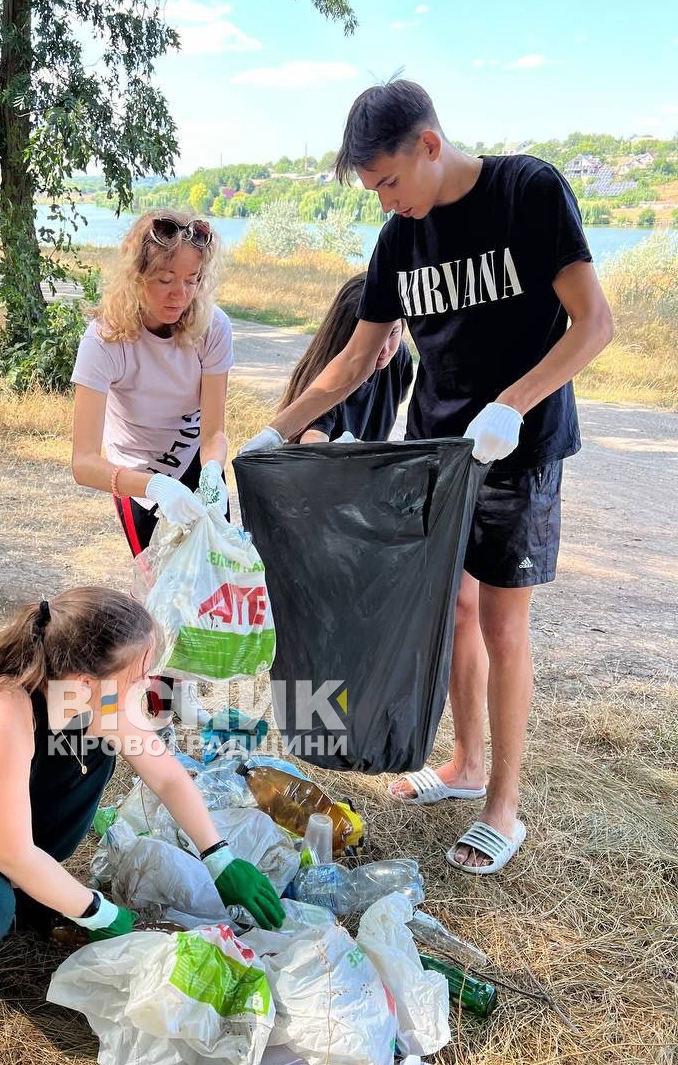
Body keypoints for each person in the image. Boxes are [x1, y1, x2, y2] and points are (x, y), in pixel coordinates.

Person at [241, 80, 613, 875]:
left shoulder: (528, 191)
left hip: (523, 443)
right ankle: (464, 764)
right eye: (371, 188)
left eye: (388, 181)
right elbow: (353, 358)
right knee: (453, 611)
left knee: (505, 625)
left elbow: (595, 322)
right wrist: (275, 432)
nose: (384, 201)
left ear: (430, 145)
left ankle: (502, 807)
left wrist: (513, 405)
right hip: (438, 450)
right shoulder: (399, 241)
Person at [0, 588, 284, 988]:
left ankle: (39, 889)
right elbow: (10, 852)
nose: (149, 686)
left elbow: (163, 772)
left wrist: (218, 855)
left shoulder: (69, 686)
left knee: (95, 745)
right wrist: (101, 913)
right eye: (138, 676)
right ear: (86, 680)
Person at [71, 210, 233, 737]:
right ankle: (154, 704)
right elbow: (84, 463)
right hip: (133, 473)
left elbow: (214, 431)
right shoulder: (105, 339)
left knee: (203, 584)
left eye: (191, 280)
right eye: (164, 279)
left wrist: (212, 473)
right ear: (135, 275)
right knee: (160, 590)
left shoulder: (212, 329)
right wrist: (153, 487)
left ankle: (182, 693)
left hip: (192, 463)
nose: (178, 294)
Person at [275, 272, 411, 444]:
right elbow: (313, 437)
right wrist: (336, 454)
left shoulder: (400, 358)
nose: (383, 349)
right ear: (346, 334)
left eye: (393, 332)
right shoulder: (330, 375)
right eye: (371, 338)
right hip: (324, 469)